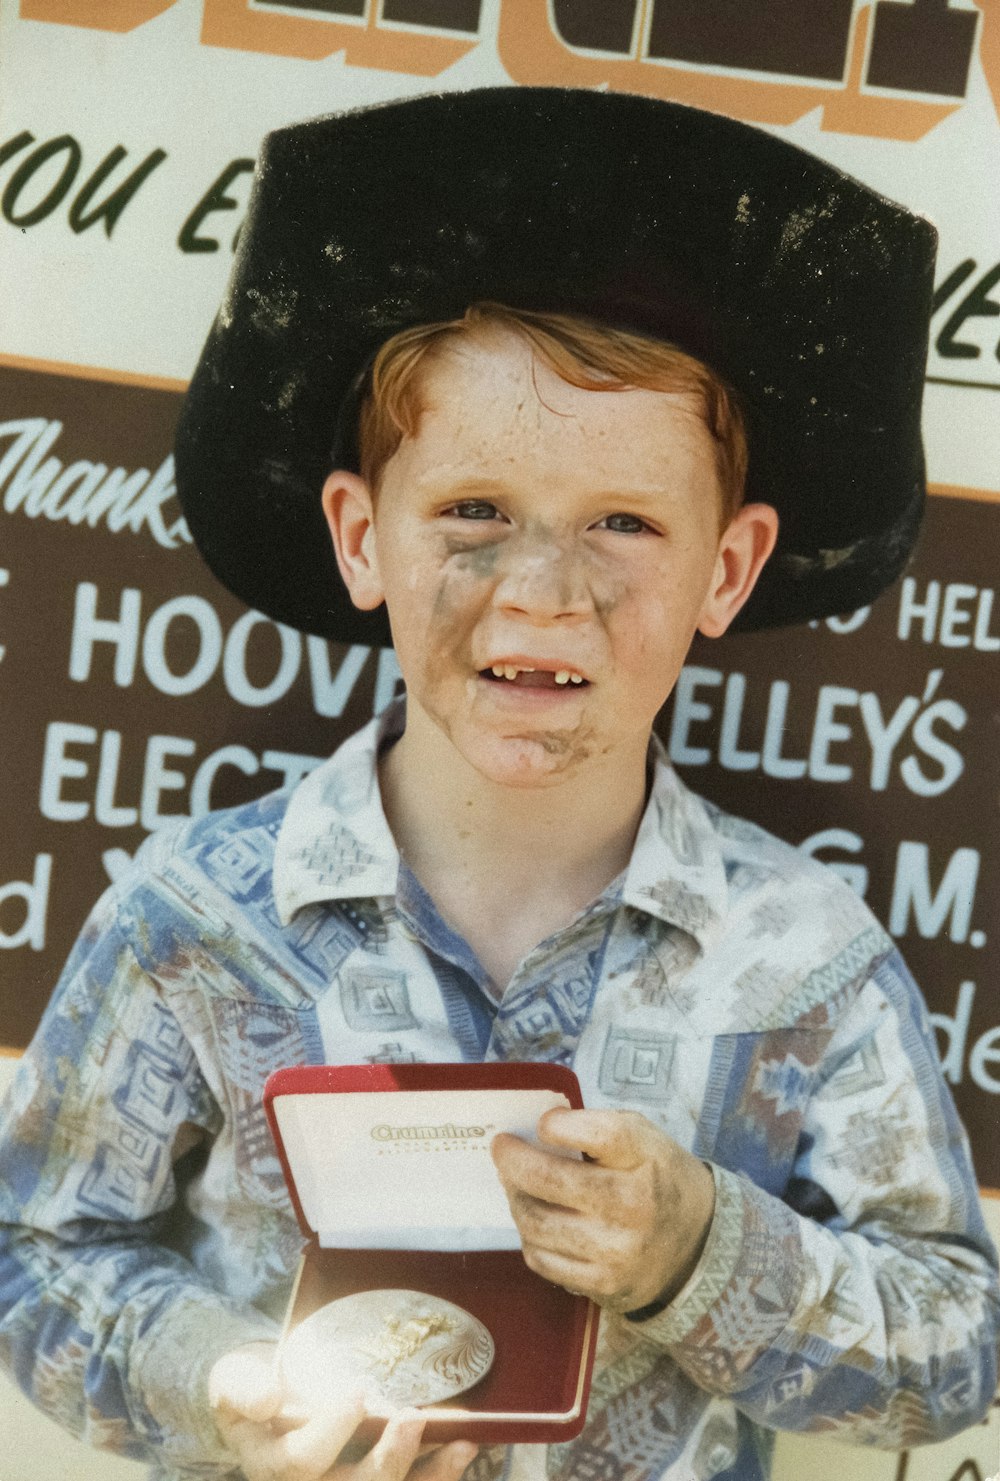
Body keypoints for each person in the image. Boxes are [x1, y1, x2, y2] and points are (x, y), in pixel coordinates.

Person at [1, 88, 997, 1481]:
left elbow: (956, 1338)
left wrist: (700, 1249)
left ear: (729, 567)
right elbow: (35, 1250)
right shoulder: (191, 922)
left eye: (625, 524)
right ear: (361, 537)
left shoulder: (808, 966)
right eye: (472, 511)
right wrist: (217, 1382)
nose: (542, 595)